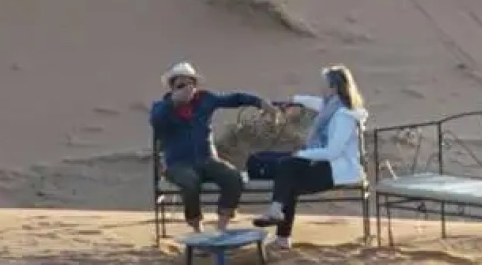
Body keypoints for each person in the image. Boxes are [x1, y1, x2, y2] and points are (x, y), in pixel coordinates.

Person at [253, 65, 368, 249]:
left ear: (333, 88)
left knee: (288, 169)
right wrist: (292, 101)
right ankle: (279, 226)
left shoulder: (344, 116)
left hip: (336, 170)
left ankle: (277, 217)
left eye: (324, 84)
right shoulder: (331, 107)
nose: (320, 88)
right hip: (320, 162)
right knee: (264, 161)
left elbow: (333, 152)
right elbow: (314, 102)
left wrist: (301, 154)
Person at [150, 61, 273, 232]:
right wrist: (174, 102)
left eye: (191, 84)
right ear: (172, 88)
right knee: (190, 183)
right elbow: (155, 121)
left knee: (234, 177)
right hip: (178, 164)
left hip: (207, 159)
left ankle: (221, 228)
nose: (187, 88)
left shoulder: (205, 100)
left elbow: (233, 99)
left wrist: (259, 102)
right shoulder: (162, 107)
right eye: (181, 85)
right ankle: (197, 228)